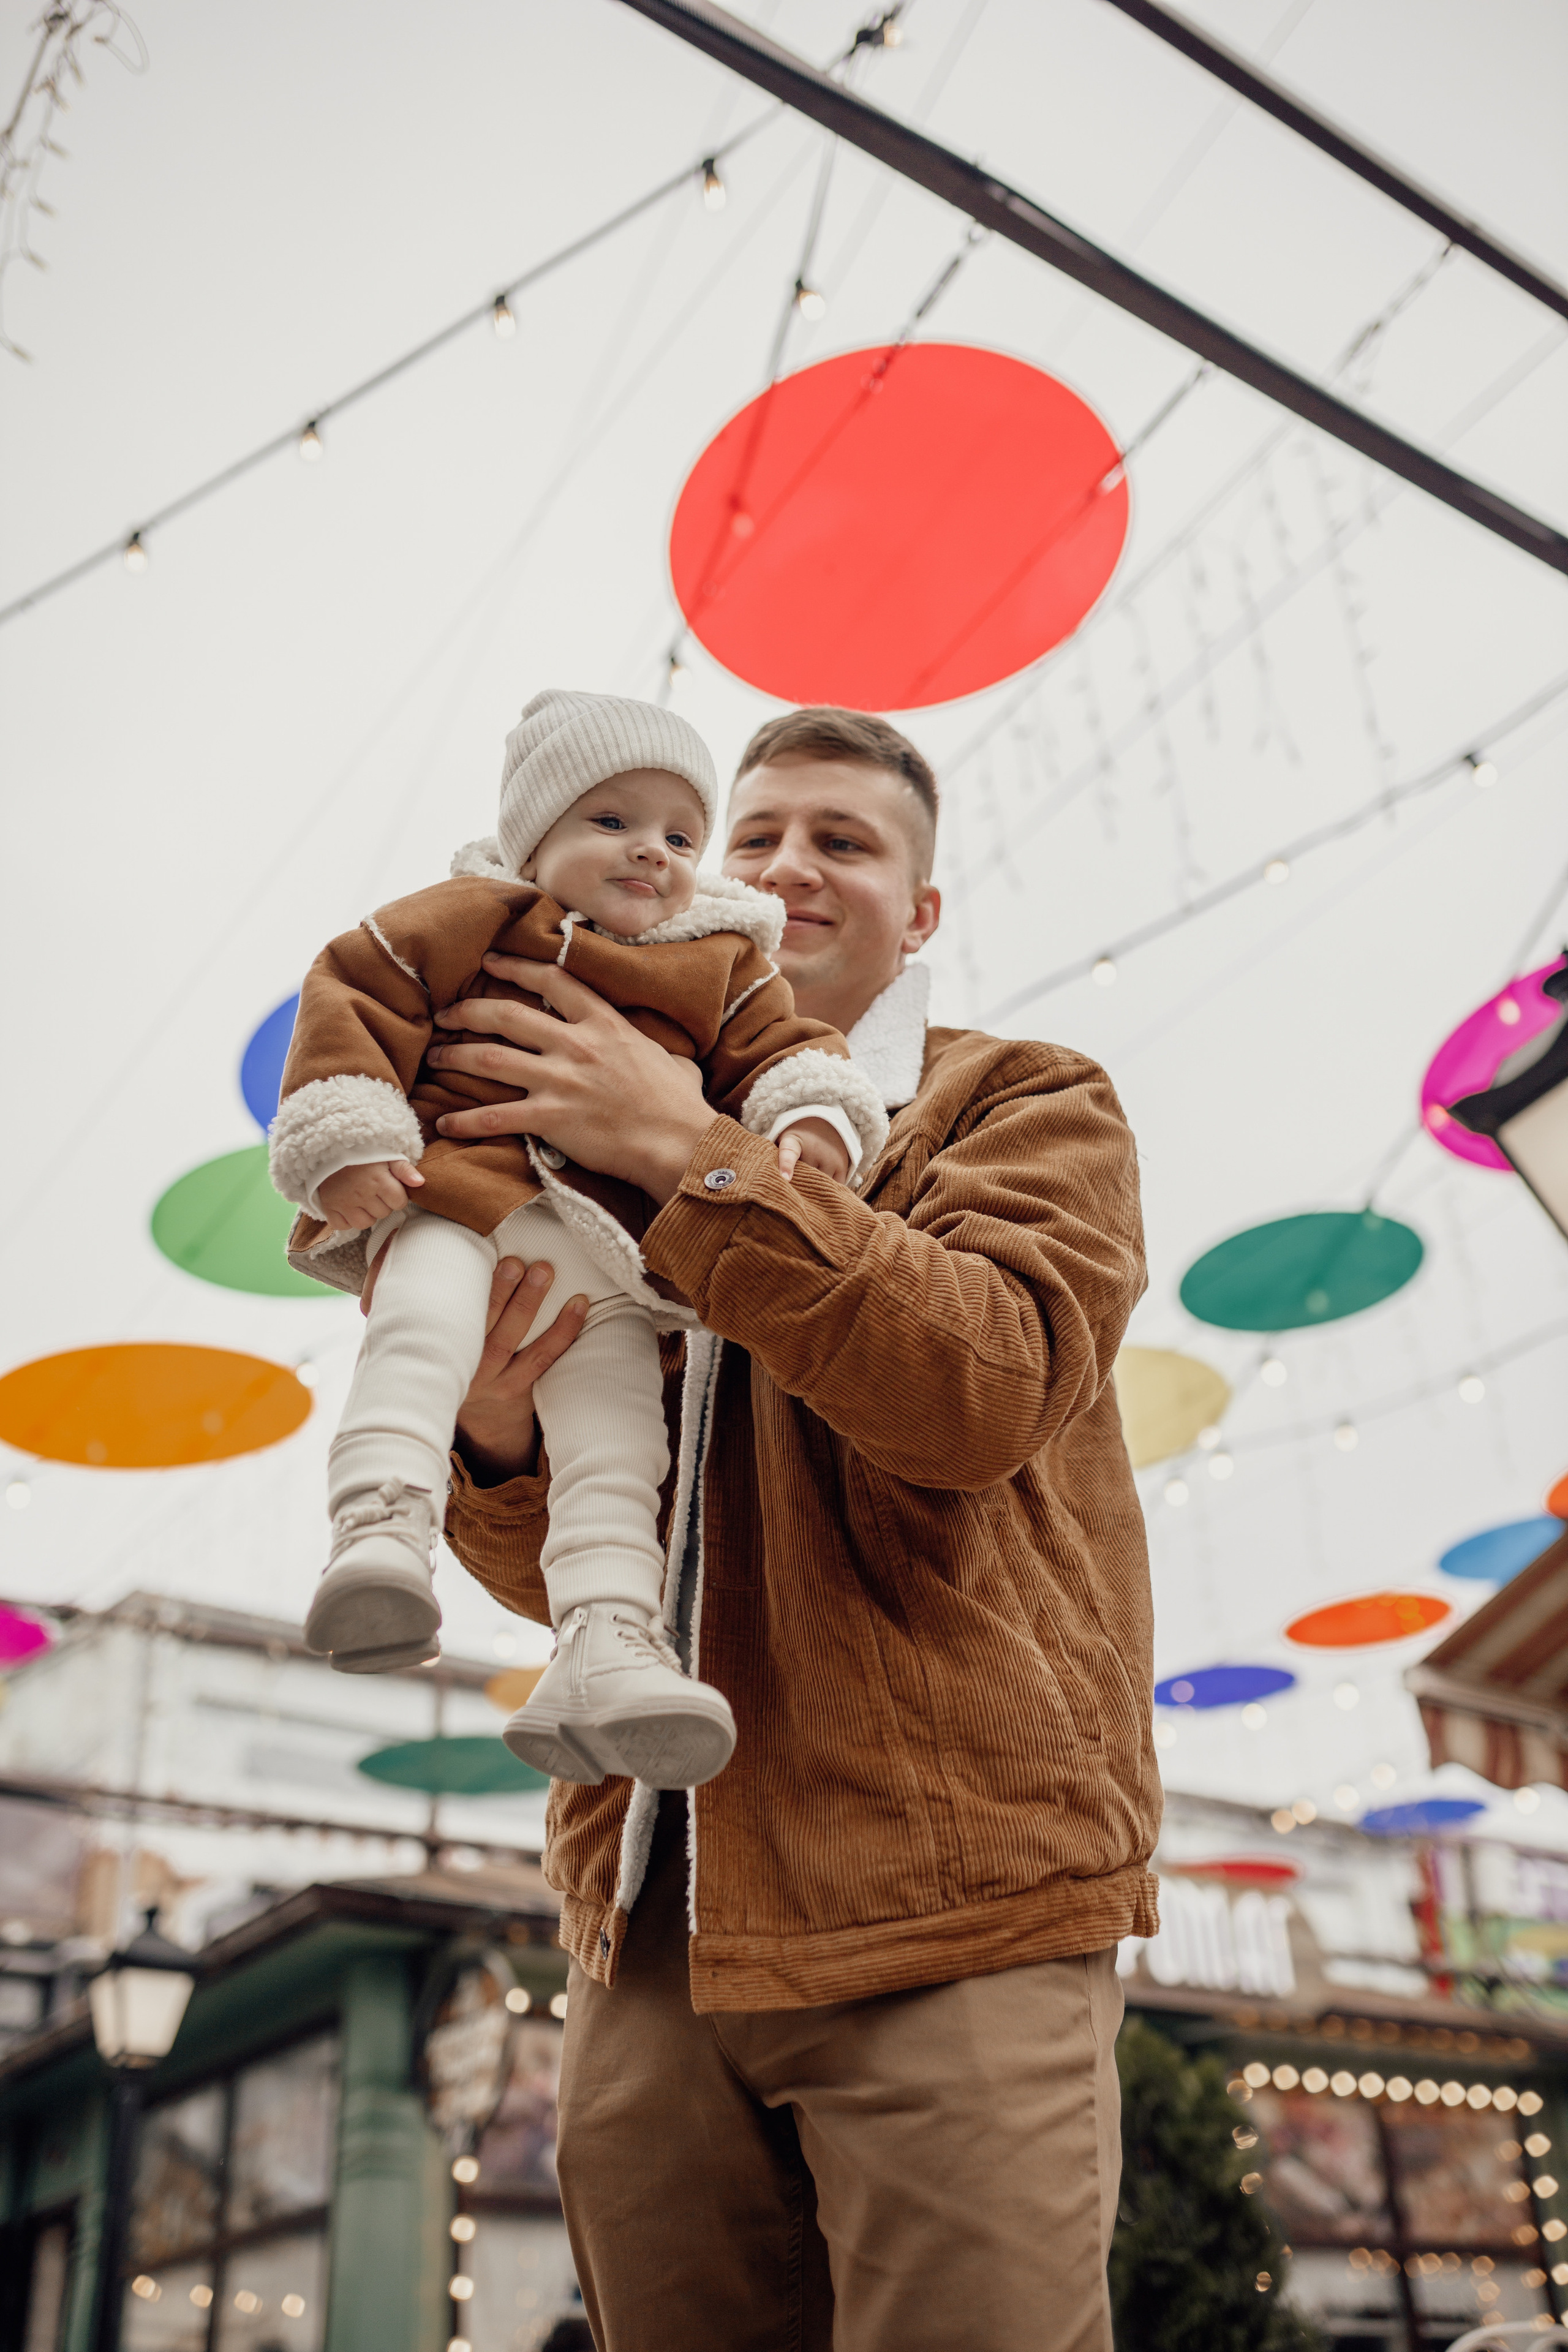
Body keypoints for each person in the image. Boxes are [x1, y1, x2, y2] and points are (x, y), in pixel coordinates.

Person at [424, 706, 1160, 2352]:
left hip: (951, 1896)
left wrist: (687, 1149)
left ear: (923, 912)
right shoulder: (578, 1149)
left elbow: (974, 1394)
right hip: (649, 1918)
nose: (785, 869)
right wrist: (490, 1429)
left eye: (845, 841)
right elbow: (558, 1586)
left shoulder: (1020, 1102)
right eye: (751, 837)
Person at [269, 689, 885, 1792]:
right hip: (459, 1193)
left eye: (679, 836)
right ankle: (380, 1527)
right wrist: (350, 1132)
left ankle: (609, 1635)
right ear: (534, 838)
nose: (651, 851)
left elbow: (786, 1052)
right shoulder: (471, 915)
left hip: (615, 1260)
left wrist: (809, 1120)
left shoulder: (724, 961)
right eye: (611, 822)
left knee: (618, 1442)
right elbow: (357, 989)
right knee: (420, 1338)